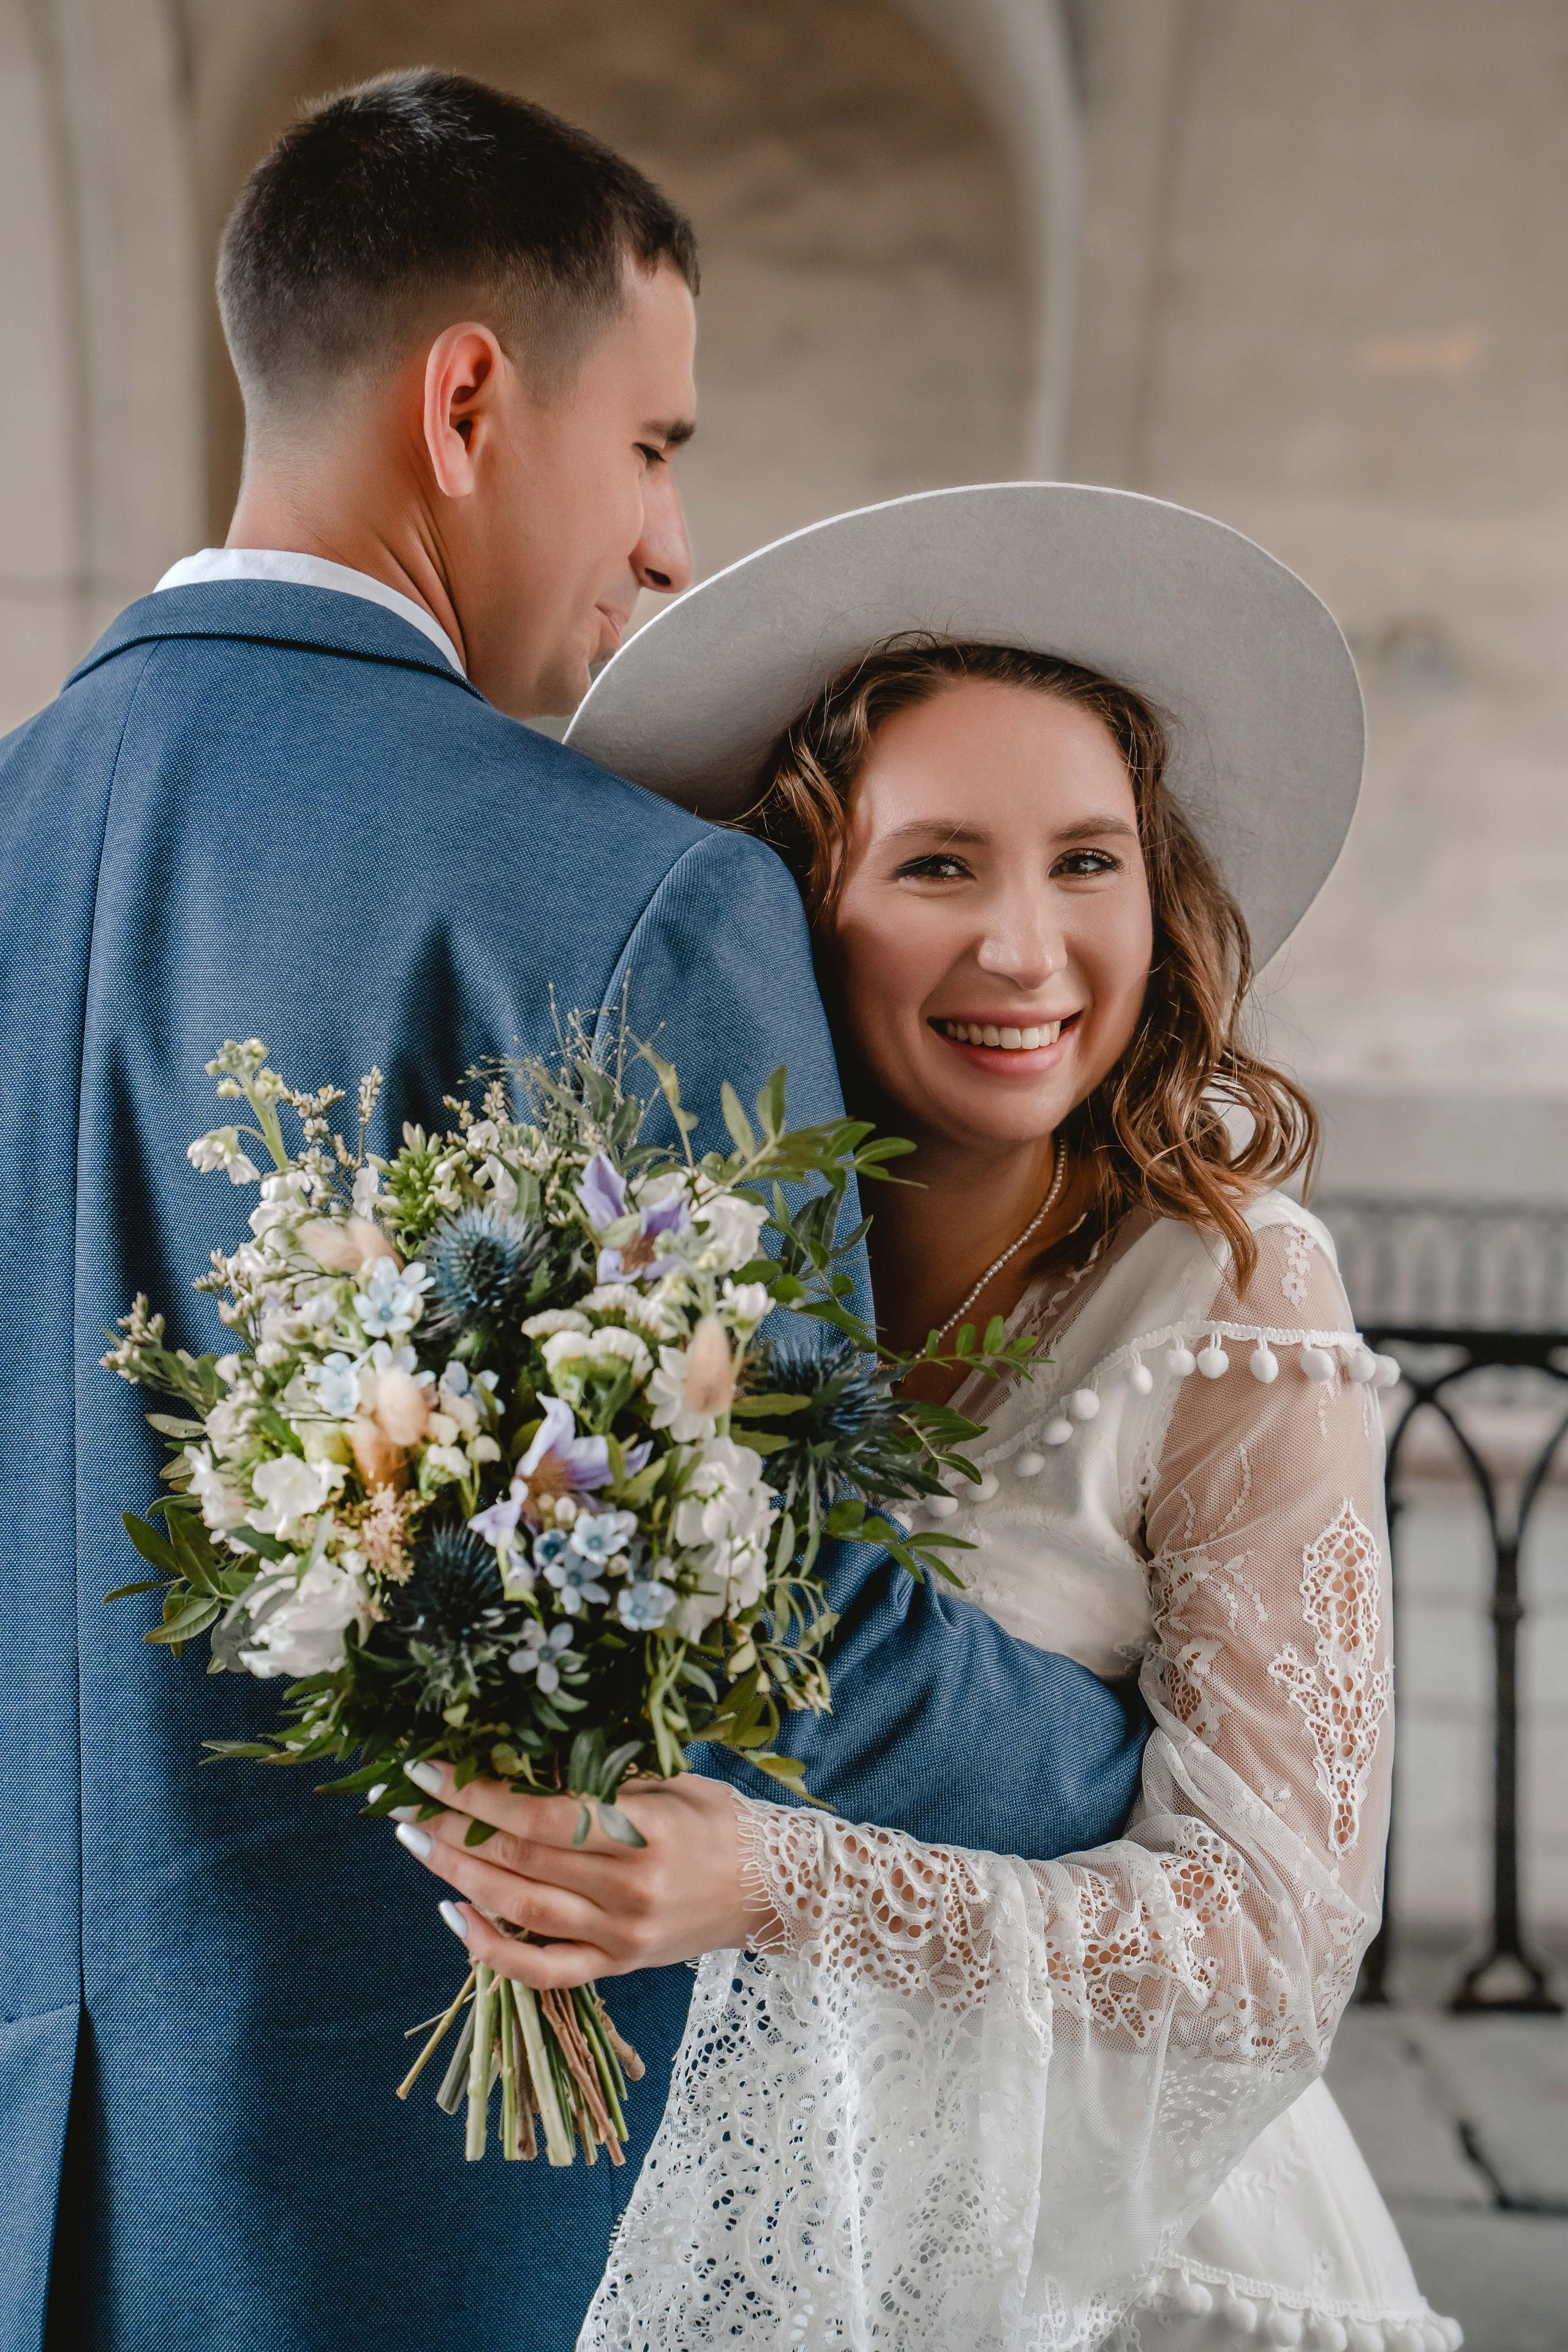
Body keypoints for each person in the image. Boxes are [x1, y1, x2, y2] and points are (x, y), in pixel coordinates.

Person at [0, 81, 1147, 2352]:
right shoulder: (627, 904)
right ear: (465, 401)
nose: (668, 546)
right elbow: (794, 1630)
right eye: (649, 452)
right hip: (423, 2216)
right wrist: (1148, 1762)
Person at [403, 486, 1461, 2350]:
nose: (1030, 952)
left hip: (1094, 2249)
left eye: (1087, 862)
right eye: (940, 865)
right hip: (708, 2208)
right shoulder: (662, 1271)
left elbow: (1276, 1944)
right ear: (798, 902)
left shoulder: (1230, 1283)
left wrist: (774, 1882)